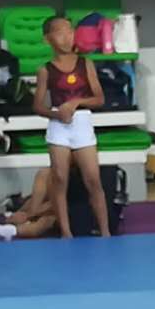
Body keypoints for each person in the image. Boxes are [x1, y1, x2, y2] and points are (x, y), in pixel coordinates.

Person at [33, 17, 110, 239]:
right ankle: (66, 232)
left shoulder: (86, 64)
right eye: (59, 33)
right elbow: (38, 106)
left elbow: (99, 99)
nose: (66, 37)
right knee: (59, 179)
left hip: (82, 123)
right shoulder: (45, 70)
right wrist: (56, 114)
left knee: (93, 179)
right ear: (48, 39)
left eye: (69, 31)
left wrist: (76, 102)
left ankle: (105, 231)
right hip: (59, 126)